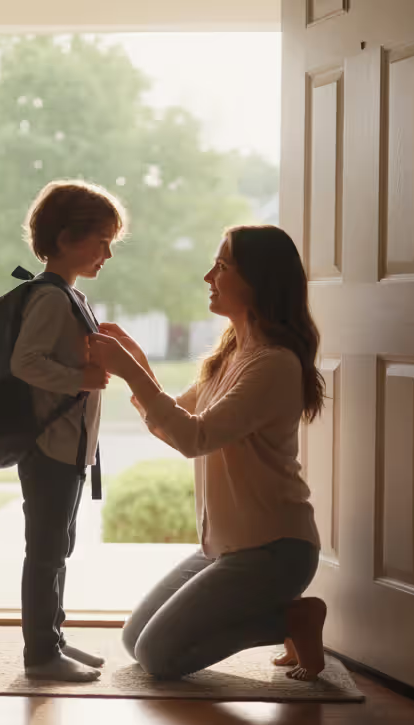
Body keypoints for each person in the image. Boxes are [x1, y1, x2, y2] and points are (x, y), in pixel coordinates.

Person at [87, 224, 329, 681]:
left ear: (258, 279)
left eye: (222, 265)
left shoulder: (274, 363)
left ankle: (291, 620)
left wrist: (130, 372)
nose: (208, 277)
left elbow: (193, 439)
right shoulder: (234, 353)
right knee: (134, 639)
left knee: (159, 656)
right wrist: (135, 364)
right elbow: (175, 417)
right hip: (225, 549)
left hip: (275, 551)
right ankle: (284, 620)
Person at [11, 180, 127, 682]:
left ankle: (52, 639)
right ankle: (39, 655)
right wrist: (77, 377)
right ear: (64, 239)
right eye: (100, 240)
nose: (107, 253)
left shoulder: (69, 297)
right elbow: (25, 362)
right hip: (49, 447)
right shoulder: (53, 299)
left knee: (59, 545)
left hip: (68, 448)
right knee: (46, 551)